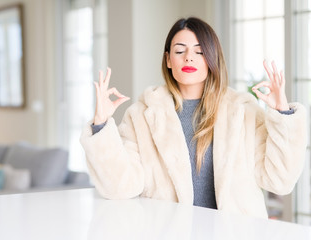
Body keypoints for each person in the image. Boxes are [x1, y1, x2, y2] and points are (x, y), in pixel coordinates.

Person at [80, 17, 306, 218]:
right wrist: (100, 124)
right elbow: (120, 187)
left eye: (199, 51)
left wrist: (282, 115)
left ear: (211, 59)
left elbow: (280, 180)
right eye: (180, 51)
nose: (189, 58)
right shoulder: (141, 117)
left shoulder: (243, 112)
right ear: (168, 60)